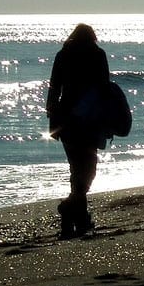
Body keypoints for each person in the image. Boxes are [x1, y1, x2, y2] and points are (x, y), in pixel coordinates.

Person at [46, 23, 110, 238]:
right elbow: (105, 87)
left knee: (78, 167)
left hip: (67, 119)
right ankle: (75, 212)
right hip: (90, 118)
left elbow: (54, 87)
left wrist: (52, 120)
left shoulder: (63, 54)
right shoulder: (97, 54)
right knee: (88, 166)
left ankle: (73, 210)